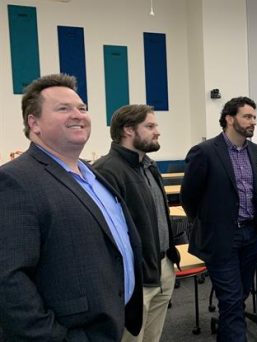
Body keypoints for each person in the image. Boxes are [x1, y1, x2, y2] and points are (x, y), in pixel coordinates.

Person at [0, 74, 143, 340]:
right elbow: (9, 282)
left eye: (82, 108)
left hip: (115, 323)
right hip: (74, 332)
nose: (78, 115)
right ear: (34, 123)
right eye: (63, 108)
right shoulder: (15, 180)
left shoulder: (94, 174)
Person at [180, 96, 257, 342]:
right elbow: (189, 196)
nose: (253, 122)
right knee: (230, 300)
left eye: (254, 118)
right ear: (229, 119)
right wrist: (208, 222)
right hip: (221, 237)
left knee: (239, 296)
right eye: (247, 117)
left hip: (250, 235)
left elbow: (256, 189)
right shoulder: (205, 152)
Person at [93, 104, 181, 342]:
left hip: (162, 267)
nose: (157, 131)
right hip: (134, 276)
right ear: (128, 130)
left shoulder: (149, 165)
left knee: (152, 338)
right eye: (150, 126)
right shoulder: (106, 170)